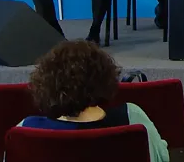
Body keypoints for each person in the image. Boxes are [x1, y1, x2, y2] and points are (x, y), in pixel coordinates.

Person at [18, 40, 169, 162]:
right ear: (106, 79)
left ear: (45, 85)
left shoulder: (25, 130)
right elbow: (160, 158)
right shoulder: (132, 118)